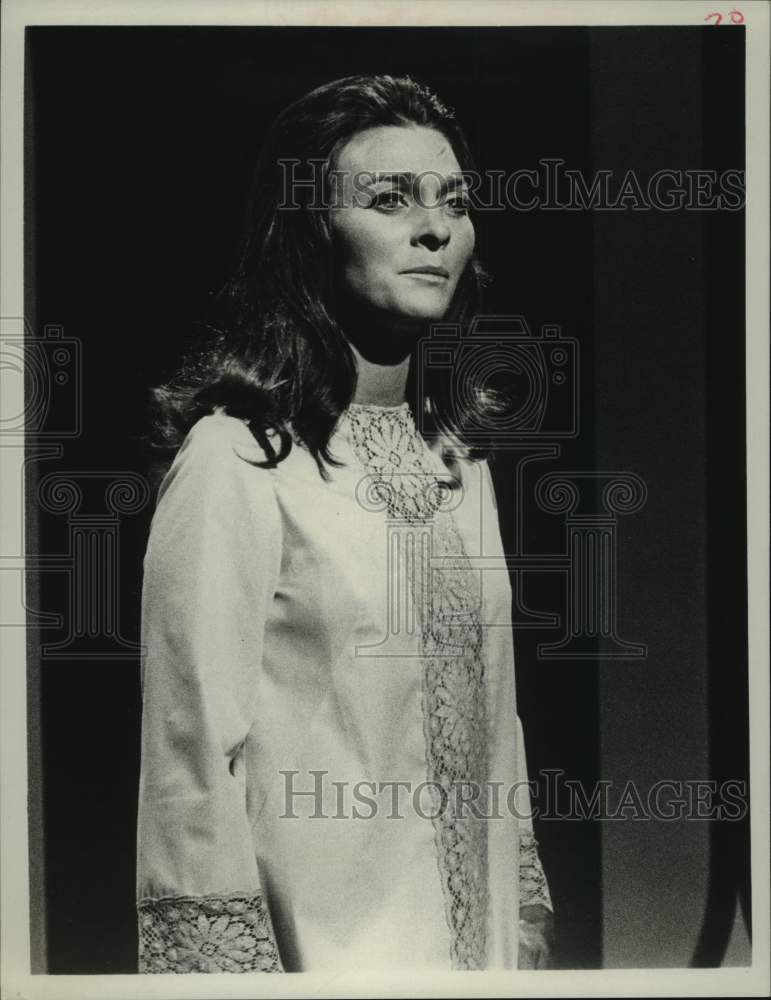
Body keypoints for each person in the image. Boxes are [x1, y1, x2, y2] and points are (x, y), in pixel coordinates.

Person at [136, 73, 553, 974]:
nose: (434, 228)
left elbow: (499, 726)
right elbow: (191, 759)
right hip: (323, 964)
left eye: (455, 201)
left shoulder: (456, 462)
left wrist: (521, 930)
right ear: (311, 229)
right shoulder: (236, 460)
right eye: (391, 199)